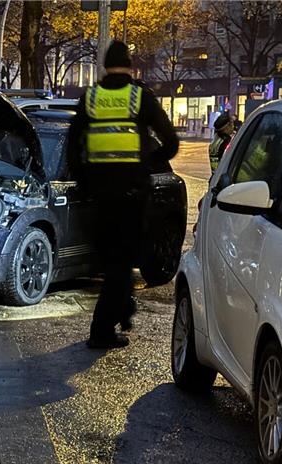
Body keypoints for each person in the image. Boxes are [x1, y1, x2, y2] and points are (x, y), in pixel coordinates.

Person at [67, 40, 179, 349]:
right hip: (132, 197)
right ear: (130, 66)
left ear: (104, 66)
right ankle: (102, 329)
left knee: (113, 261)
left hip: (101, 199)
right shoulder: (138, 97)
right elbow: (170, 141)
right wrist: (147, 165)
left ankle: (122, 310)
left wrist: (84, 182)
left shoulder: (90, 99)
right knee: (121, 263)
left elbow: (73, 147)